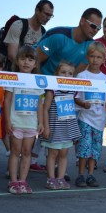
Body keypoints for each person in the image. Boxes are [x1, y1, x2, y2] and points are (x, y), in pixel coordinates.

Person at [5, 46, 44, 194]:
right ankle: (13, 181)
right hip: (16, 123)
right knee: (15, 151)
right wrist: (8, 121)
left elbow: (40, 103)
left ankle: (23, 181)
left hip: (31, 124)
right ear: (17, 61)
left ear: (35, 64)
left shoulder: (37, 81)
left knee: (27, 152)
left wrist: (40, 122)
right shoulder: (13, 78)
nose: (26, 62)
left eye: (30, 59)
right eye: (23, 59)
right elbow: (7, 101)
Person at [74, 42, 106, 187]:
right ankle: (81, 174)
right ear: (87, 57)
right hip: (85, 117)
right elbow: (75, 96)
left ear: (103, 59)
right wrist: (83, 104)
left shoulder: (105, 78)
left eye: (98, 57)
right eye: (92, 56)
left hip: (99, 119)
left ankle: (91, 174)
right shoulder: (81, 75)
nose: (95, 60)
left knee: (95, 148)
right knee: (84, 146)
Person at [40, 61, 81, 190]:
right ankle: (51, 178)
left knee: (64, 154)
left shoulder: (73, 90)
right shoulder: (52, 90)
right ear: (56, 73)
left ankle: (60, 178)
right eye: (63, 72)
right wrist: (46, 127)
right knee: (52, 154)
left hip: (67, 128)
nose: (67, 75)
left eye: (70, 73)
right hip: (55, 127)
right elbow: (45, 109)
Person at [36, 8, 103, 75]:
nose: (95, 30)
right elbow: (36, 59)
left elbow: (75, 74)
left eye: (98, 28)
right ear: (82, 21)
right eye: (93, 26)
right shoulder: (58, 36)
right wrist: (40, 83)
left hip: (64, 83)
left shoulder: (91, 45)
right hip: (43, 78)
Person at [3, 0, 54, 67]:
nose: (48, 18)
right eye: (46, 14)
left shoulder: (43, 32)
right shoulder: (19, 25)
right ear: (37, 10)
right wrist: (26, 69)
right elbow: (12, 55)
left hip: (31, 73)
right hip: (15, 71)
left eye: (50, 15)